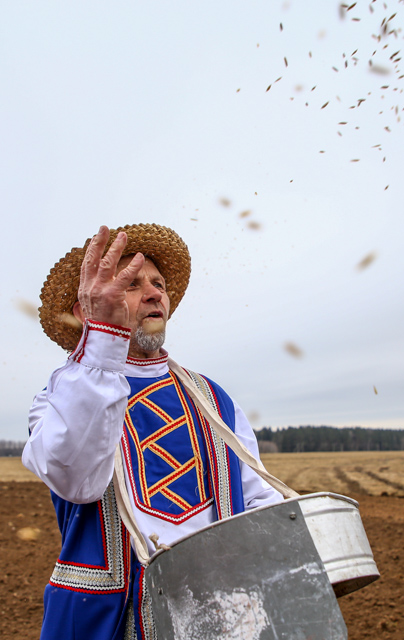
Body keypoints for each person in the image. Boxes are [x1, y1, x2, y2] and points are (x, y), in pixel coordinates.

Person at [22, 223, 284, 639]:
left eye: (158, 283)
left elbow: (257, 499)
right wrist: (103, 340)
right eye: (130, 283)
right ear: (84, 308)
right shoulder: (60, 396)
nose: (154, 292)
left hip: (217, 617)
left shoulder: (213, 399)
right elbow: (78, 481)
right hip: (107, 622)